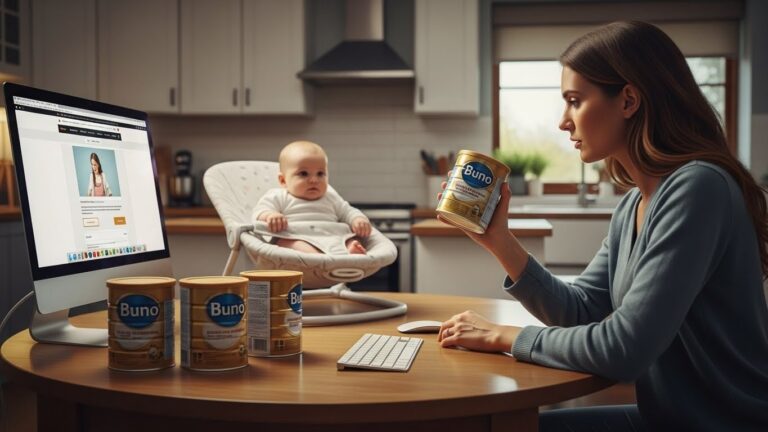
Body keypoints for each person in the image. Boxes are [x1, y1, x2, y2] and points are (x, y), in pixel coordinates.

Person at [437, 21, 768, 431]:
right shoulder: (633, 204)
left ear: (628, 100)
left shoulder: (699, 188)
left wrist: (503, 337)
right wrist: (500, 241)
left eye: (575, 100)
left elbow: (625, 348)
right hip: (665, 419)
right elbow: (583, 311)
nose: (563, 121)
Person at [252, 140, 371, 255]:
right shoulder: (279, 196)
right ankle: (317, 257)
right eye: (303, 174)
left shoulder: (331, 197)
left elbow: (348, 212)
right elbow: (259, 211)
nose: (314, 180)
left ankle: (350, 250)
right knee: (285, 243)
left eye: (320, 174)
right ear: (283, 180)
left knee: (351, 239)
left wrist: (358, 220)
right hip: (298, 237)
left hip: (333, 237)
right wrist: (270, 215)